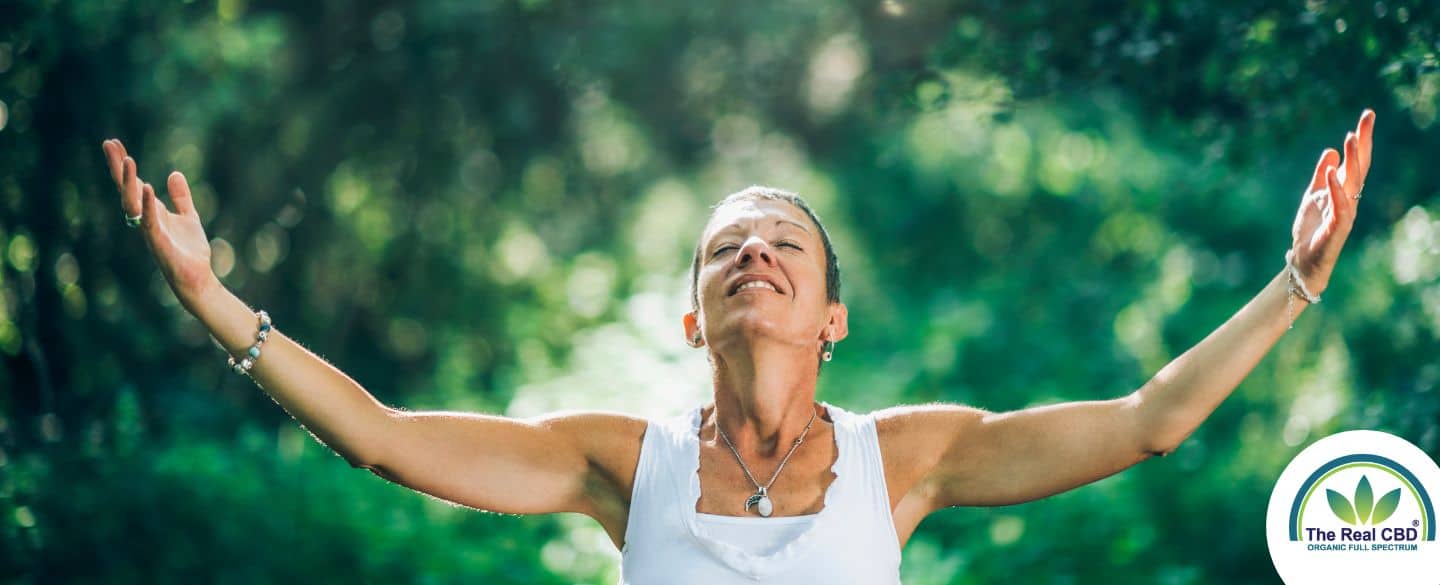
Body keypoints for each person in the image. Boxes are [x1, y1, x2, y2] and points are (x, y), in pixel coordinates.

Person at [100, 109, 1374, 584]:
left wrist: (1294, 283)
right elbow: (380, 439)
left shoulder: (910, 460)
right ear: (692, 314)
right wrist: (216, 301)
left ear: (833, 318)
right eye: (726, 248)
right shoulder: (617, 462)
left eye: (785, 243)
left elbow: (1150, 420)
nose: (754, 251)